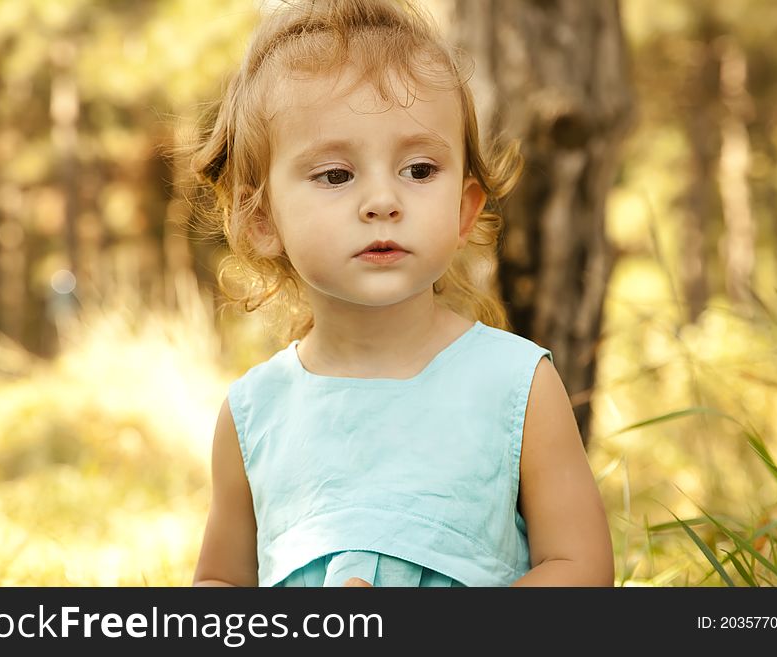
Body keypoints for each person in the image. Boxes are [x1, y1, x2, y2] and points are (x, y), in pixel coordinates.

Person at [190, 0, 613, 587]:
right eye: (336, 175)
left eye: (418, 170)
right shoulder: (254, 414)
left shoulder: (515, 384)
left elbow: (582, 568)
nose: (383, 201)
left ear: (465, 209)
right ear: (260, 219)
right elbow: (221, 583)